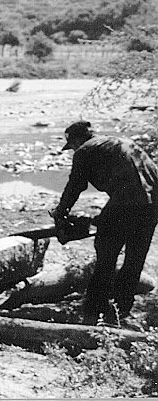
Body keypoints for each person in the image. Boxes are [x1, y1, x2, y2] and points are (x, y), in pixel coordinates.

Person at [51, 120, 158, 322]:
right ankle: (121, 310)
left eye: (71, 145)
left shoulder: (84, 150)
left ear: (76, 140)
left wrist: (61, 211)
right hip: (153, 204)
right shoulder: (123, 142)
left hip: (127, 201)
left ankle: (94, 310)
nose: (73, 149)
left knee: (106, 256)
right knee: (135, 259)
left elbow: (76, 185)